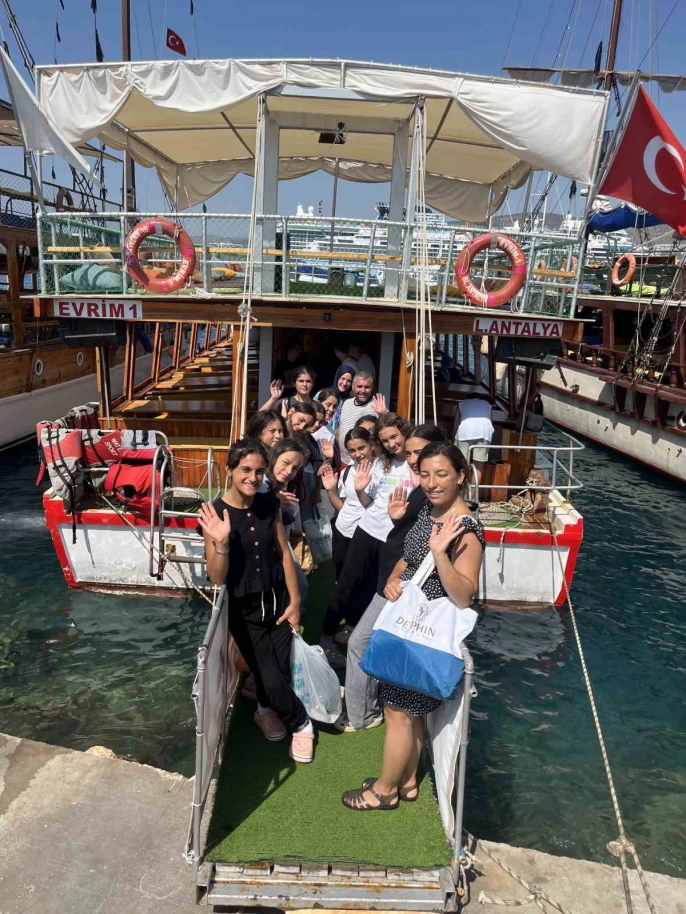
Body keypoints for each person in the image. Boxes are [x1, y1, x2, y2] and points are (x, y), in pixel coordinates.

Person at [341, 443, 484, 809]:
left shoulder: (466, 528)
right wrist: (394, 577)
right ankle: (407, 782)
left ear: (461, 476)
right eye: (425, 474)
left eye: (442, 474)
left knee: (398, 713)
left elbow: (465, 594)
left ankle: (383, 791)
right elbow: (409, 557)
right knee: (411, 714)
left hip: (424, 635)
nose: (432, 483)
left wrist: (440, 555)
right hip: (409, 627)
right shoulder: (429, 511)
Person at [199, 439, 315, 764]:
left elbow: (284, 554)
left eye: (259, 471)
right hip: (245, 612)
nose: (252, 477)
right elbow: (217, 577)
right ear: (230, 470)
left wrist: (295, 603)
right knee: (270, 677)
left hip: (279, 601)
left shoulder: (268, 503)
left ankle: (263, 710)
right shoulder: (213, 514)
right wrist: (221, 542)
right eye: (245, 470)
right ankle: (303, 724)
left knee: (279, 669)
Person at [337, 423, 447, 733]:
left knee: (359, 642)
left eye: (419, 452)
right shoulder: (421, 490)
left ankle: (362, 715)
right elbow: (412, 537)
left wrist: (399, 575)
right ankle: (365, 699)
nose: (412, 459)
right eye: (409, 453)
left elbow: (428, 547)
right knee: (372, 640)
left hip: (401, 584)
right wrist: (399, 519)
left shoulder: (433, 495)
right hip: (394, 577)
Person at [321, 412, 413, 669]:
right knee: (346, 585)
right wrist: (360, 489)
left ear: (405, 433)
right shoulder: (382, 464)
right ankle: (326, 637)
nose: (391, 444)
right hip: (367, 530)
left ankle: (364, 638)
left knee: (379, 590)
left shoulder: (417, 465)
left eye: (394, 437)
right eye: (385, 440)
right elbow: (368, 503)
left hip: (394, 538)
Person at [320, 427, 375, 582]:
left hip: (367, 536)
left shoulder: (382, 470)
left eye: (361, 448)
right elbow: (343, 507)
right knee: (341, 579)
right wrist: (331, 490)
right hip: (343, 532)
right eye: (352, 450)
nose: (357, 454)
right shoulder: (347, 471)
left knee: (362, 581)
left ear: (371, 445)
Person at [336, 371, 387, 464]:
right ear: (353, 387)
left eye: (367, 387)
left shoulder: (377, 405)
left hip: (366, 462)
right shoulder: (347, 403)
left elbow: (389, 428)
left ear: (372, 388)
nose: (363, 391)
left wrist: (384, 414)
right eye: (359, 386)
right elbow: (340, 428)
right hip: (343, 460)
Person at [453, 394, 494, 486]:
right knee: (478, 468)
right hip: (484, 433)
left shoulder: (462, 404)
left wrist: (453, 438)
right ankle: (473, 493)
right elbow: (490, 422)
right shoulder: (487, 405)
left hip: (464, 432)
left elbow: (456, 423)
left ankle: (461, 491)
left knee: (461, 465)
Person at [331, 367, 355, 432]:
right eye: (343, 378)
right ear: (338, 377)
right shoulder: (324, 394)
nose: (344, 383)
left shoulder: (351, 401)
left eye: (349, 381)